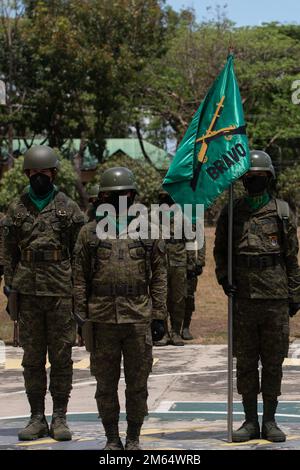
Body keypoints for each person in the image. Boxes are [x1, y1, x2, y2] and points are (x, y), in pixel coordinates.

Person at [73, 167, 167, 450]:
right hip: (102, 320)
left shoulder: (149, 231)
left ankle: (134, 438)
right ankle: (112, 439)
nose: (116, 200)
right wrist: (80, 316)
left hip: (138, 318)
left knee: (138, 385)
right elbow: (79, 277)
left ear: (133, 196)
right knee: (105, 385)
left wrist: (159, 315)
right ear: (101, 197)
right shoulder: (89, 233)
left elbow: (160, 275)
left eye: (122, 195)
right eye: (110, 195)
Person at [214, 150, 300, 443]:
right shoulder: (232, 211)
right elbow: (220, 251)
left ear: (269, 178)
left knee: (273, 362)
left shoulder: (282, 212)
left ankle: (270, 420)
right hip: (244, 299)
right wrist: (225, 279)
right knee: (247, 362)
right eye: (249, 177)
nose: (253, 181)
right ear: (242, 180)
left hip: (275, 300)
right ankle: (250, 421)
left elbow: (292, 257)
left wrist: (294, 294)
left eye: (259, 176)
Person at [3, 145, 85, 441]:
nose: (39, 177)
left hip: (61, 291)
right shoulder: (17, 208)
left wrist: (79, 292)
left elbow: (80, 253)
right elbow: (8, 251)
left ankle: (59, 418)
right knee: (32, 358)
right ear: (27, 173)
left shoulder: (69, 207)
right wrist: (9, 285)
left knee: (61, 356)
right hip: (28, 292)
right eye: (33, 172)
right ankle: (36, 417)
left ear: (53, 173)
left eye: (44, 172)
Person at [182, 237, 206, 340]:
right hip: (170, 262)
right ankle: (170, 330)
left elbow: (201, 240)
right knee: (167, 296)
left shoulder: (194, 220)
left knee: (189, 297)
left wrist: (200, 262)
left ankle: (185, 327)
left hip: (189, 265)